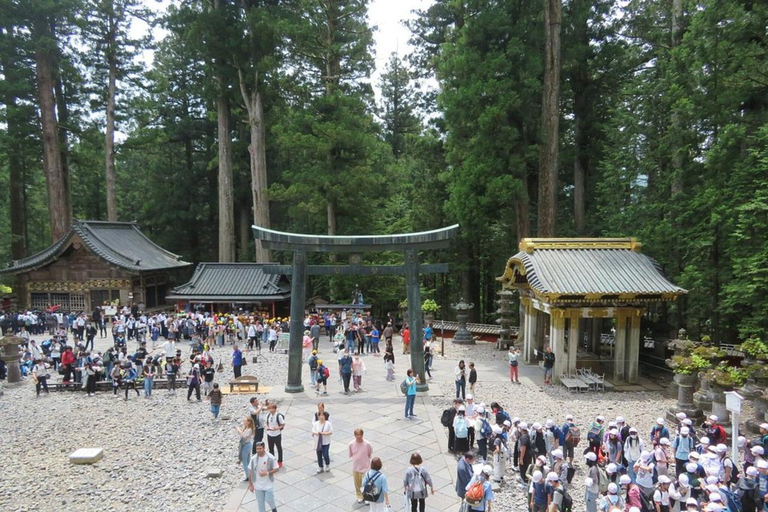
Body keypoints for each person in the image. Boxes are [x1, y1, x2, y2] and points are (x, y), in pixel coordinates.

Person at [248, 441, 279, 512]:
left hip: (268, 484)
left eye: (260, 449)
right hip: (258, 485)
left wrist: (267, 473)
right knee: (260, 504)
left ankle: (274, 509)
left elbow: (276, 468)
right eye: (257, 449)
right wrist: (250, 484)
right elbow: (250, 471)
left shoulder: (270, 458)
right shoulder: (253, 459)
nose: (258, 450)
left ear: (264, 448)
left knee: (269, 499)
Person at [349, 428, 374, 503]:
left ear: (362, 435)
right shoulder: (351, 444)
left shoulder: (367, 444)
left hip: (365, 467)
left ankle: (366, 496)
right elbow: (351, 454)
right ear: (355, 435)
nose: (359, 436)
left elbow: (370, 453)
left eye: (360, 434)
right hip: (356, 467)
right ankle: (359, 495)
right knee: (357, 483)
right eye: (357, 435)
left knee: (366, 483)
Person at [265, 403, 285, 467]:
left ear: (275, 409)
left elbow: (282, 424)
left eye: (272, 409)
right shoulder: (268, 415)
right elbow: (266, 423)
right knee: (271, 448)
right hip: (269, 434)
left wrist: (277, 428)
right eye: (270, 409)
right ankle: (272, 460)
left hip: (277, 434)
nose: (271, 410)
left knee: (279, 447)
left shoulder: (278, 416)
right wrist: (267, 427)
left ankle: (280, 461)